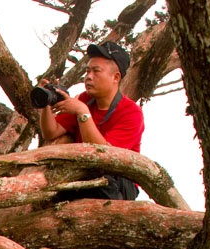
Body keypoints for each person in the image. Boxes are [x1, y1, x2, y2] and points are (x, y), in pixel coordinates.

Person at [37, 41, 144, 201]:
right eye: (87, 71)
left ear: (115, 77)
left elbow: (105, 157)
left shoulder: (131, 112)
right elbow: (51, 132)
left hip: (117, 182)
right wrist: (45, 103)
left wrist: (82, 113)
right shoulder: (85, 99)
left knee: (104, 182)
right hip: (86, 175)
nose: (88, 77)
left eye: (96, 71)